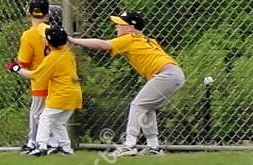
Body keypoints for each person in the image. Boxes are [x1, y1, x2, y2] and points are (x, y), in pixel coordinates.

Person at [68, 11, 187, 157]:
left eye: (120, 24)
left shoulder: (130, 38)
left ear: (131, 28)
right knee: (147, 107)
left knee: (137, 105)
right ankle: (153, 147)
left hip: (167, 74)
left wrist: (73, 40)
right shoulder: (146, 39)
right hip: (174, 74)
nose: (116, 27)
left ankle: (129, 145)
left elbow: (103, 44)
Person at [16, 28, 81, 155]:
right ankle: (66, 147)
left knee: (44, 118)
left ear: (49, 42)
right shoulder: (68, 53)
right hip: (74, 94)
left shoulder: (53, 58)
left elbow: (34, 75)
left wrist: (16, 68)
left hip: (61, 95)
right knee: (58, 122)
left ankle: (41, 145)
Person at [15, 0, 52, 155]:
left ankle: (35, 141)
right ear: (48, 14)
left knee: (37, 113)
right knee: (52, 113)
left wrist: (15, 67)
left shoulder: (28, 35)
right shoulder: (52, 31)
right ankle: (51, 141)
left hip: (39, 79)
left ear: (28, 13)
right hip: (56, 78)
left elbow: (23, 62)